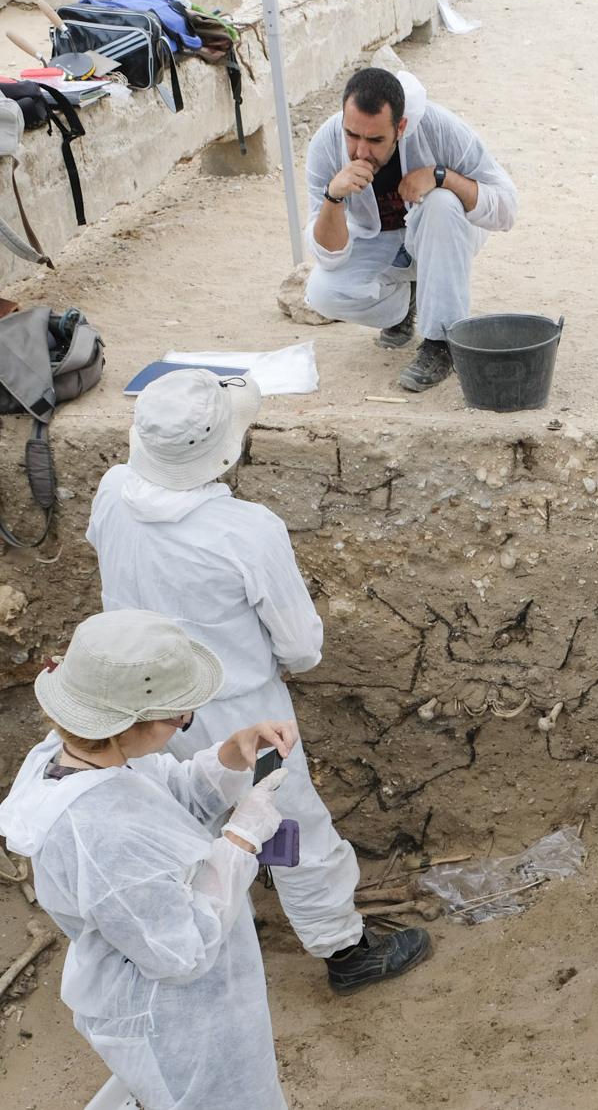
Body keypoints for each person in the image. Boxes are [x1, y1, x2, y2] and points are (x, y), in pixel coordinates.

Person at [86, 368, 429, 991]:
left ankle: (200, 925)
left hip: (132, 706)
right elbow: (301, 646)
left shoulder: (111, 490)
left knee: (178, 815)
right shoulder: (246, 529)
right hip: (235, 710)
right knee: (288, 823)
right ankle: (344, 951)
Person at [0, 610, 294, 1109]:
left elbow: (159, 798)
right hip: (179, 1018)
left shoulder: (75, 755)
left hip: (182, 1004)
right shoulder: (99, 834)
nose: (183, 724)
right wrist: (242, 839)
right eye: (178, 716)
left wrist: (229, 755)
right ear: (123, 724)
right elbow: (182, 951)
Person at [303, 66, 518, 392]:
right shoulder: (325, 144)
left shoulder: (439, 127)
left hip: (445, 232)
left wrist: (441, 175)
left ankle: (441, 341)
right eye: (352, 135)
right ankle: (403, 309)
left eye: (375, 139)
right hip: (380, 242)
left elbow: (505, 208)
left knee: (441, 203)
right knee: (323, 291)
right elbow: (329, 256)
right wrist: (333, 196)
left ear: (400, 126)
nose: (361, 151)